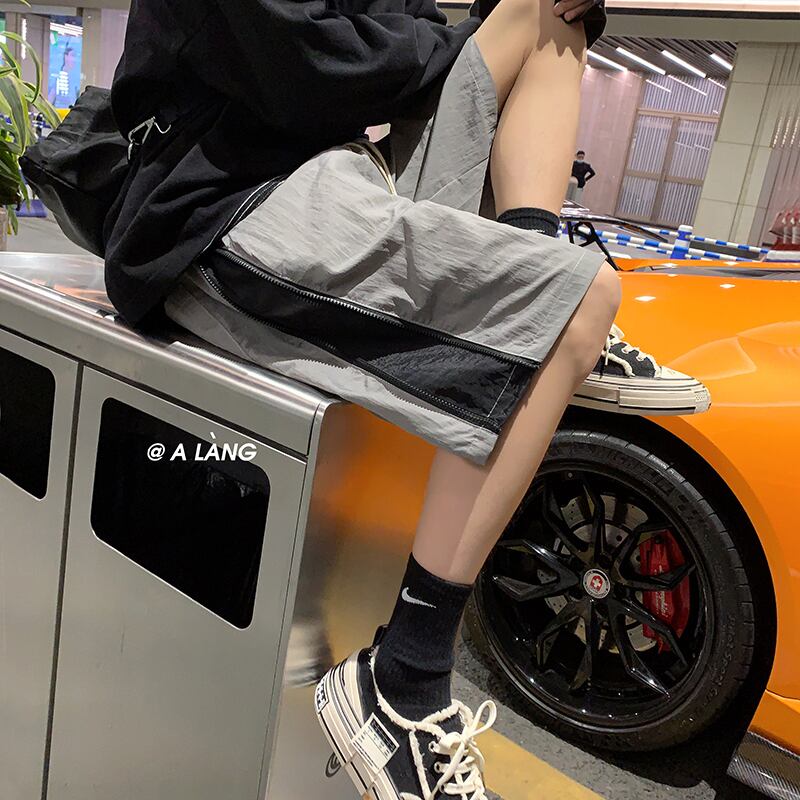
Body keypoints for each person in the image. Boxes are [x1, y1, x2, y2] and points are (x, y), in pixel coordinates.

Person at [105, 1, 710, 797]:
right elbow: (308, 65)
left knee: (547, 9)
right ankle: (403, 679)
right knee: (583, 301)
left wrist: (422, 47)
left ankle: (534, 278)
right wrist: (425, 48)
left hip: (344, 163)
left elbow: (392, 44)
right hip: (221, 203)